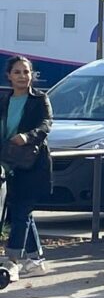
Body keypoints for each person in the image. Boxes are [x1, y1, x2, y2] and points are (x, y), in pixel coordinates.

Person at [1, 56, 53, 281]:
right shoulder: (4, 99)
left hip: (31, 163)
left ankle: (11, 261)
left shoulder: (40, 99)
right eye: (18, 72)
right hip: (7, 163)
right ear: (9, 76)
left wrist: (27, 136)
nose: (23, 76)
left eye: (26, 72)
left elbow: (46, 124)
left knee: (22, 211)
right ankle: (36, 259)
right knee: (20, 213)